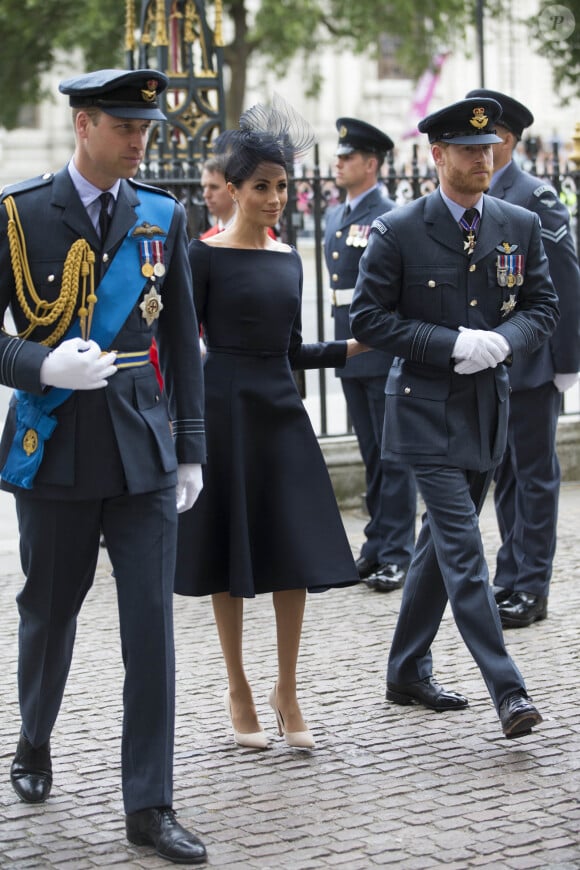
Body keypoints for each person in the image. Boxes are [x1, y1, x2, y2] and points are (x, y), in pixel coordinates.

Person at [0, 69, 208, 865]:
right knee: (49, 611)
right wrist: (41, 367)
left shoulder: (161, 213)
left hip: (143, 449)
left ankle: (149, 805)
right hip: (54, 445)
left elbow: (184, 340)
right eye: (126, 127)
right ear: (84, 124)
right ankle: (33, 739)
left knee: (151, 631)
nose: (140, 141)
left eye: (145, 130)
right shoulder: (20, 215)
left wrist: (189, 449)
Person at [350, 97, 559, 739]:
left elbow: (542, 304)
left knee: (437, 550)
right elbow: (369, 318)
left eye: (489, 147)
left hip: (484, 410)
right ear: (437, 155)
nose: (483, 159)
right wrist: (450, 343)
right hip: (423, 413)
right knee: (466, 550)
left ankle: (406, 668)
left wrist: (506, 339)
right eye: (468, 151)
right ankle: (509, 690)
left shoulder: (517, 223)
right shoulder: (399, 230)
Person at [174, 96, 363, 750]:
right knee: (230, 554)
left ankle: (286, 688)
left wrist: (349, 349)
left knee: (290, 553)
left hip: (281, 412)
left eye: (283, 186)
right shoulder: (203, 257)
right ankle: (238, 688)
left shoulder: (289, 261)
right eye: (262, 187)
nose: (276, 197)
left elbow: (290, 350)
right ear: (231, 190)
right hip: (224, 409)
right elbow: (177, 346)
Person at [465, 88, 580, 628]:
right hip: (493, 363)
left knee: (534, 476)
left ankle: (531, 587)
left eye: (485, 139)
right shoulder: (480, 197)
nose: (477, 150)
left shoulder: (536, 197)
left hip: (533, 364)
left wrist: (567, 362)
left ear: (507, 139)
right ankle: (509, 576)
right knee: (504, 475)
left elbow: (567, 284)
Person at [324, 118, 416, 592]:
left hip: (380, 350)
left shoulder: (391, 216)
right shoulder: (334, 218)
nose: (337, 163)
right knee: (371, 455)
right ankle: (377, 545)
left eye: (346, 157)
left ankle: (397, 552)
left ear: (371, 163)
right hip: (349, 351)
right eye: (338, 156)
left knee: (393, 456)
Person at [199, 155, 237, 238]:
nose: (206, 195)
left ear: (232, 190)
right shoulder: (206, 239)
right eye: (204, 187)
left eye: (213, 187)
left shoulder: (258, 236)